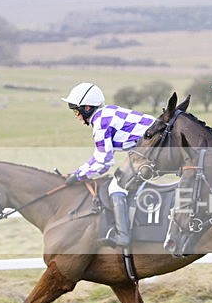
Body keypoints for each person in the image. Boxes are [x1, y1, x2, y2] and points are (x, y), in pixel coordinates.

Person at [62, 82, 156, 248]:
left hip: (155, 146)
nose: (76, 116)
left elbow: (104, 162)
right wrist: (78, 172)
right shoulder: (105, 114)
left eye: (77, 111)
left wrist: (79, 176)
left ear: (87, 108)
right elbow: (98, 156)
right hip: (152, 144)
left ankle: (123, 237)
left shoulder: (100, 122)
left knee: (116, 187)